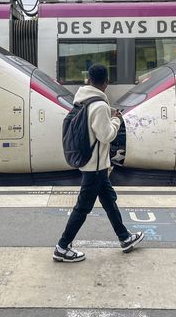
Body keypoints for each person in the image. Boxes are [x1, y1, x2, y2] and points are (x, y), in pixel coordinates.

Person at [53, 63, 144, 262]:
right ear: (106, 82)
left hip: (97, 166)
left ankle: (125, 238)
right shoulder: (100, 105)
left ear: (89, 80)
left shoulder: (82, 101)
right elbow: (107, 136)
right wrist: (117, 120)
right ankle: (62, 246)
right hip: (94, 168)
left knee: (109, 201)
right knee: (82, 208)